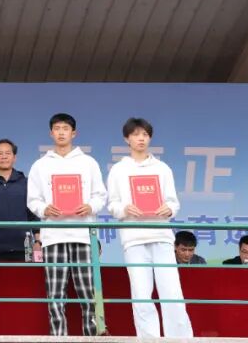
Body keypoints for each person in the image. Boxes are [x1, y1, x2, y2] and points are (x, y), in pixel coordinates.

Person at [107, 117, 193, 339]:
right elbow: (112, 205)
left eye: (145, 134)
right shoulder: (118, 169)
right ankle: (148, 339)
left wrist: (169, 209)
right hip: (133, 238)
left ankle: (179, 338)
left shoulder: (162, 168)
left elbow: (173, 202)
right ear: (126, 139)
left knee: (172, 292)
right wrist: (125, 209)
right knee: (141, 294)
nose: (141, 139)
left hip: (161, 235)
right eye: (136, 134)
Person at [27, 112, 106, 337]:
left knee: (89, 293)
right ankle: (58, 338)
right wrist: (44, 209)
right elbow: (32, 200)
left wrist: (90, 206)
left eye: (65, 128)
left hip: (83, 236)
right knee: (55, 295)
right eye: (57, 128)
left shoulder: (88, 163)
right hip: (54, 236)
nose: (61, 133)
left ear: (74, 133)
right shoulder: (40, 165)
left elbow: (100, 195)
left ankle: (94, 337)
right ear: (51, 133)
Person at [0, 138, 40, 263]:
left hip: (24, 248)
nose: (4, 157)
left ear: (14, 157)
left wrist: (38, 241)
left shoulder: (26, 183)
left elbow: (34, 215)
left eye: (8, 153)